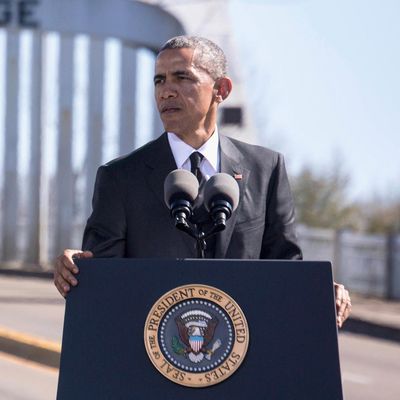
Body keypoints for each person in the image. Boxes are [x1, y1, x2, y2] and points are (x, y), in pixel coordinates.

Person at [54, 35, 351, 327]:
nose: (166, 91)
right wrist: (79, 269)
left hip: (245, 360)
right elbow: (103, 286)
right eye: (159, 80)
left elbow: (287, 273)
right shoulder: (120, 178)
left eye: (181, 77)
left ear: (221, 89)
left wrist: (319, 292)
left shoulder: (266, 169)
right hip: (154, 360)